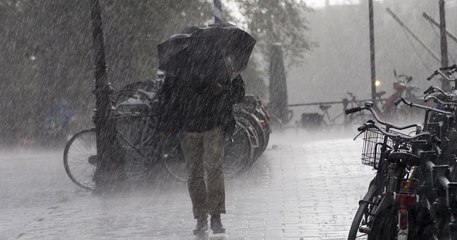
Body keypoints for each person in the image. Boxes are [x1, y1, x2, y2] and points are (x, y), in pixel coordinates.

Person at [157, 72, 245, 235]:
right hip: (188, 127)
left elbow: (239, 93)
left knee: (213, 171)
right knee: (196, 173)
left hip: (213, 125)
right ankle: (202, 216)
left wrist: (222, 90)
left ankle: (215, 216)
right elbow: (167, 96)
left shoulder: (220, 63)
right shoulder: (182, 65)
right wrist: (164, 124)